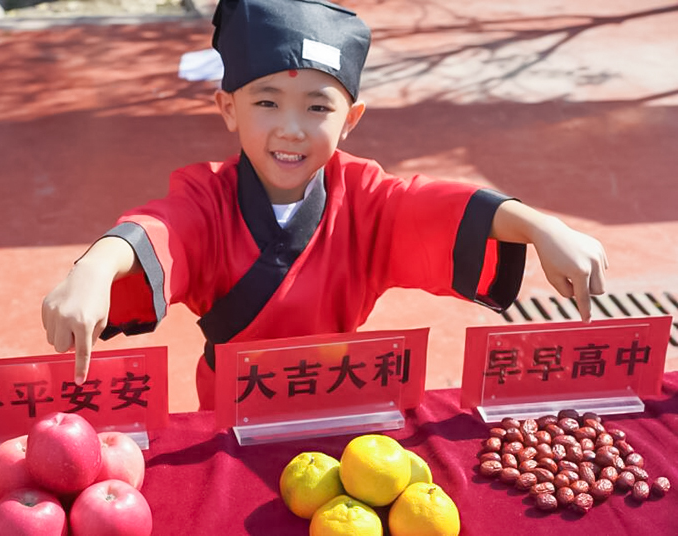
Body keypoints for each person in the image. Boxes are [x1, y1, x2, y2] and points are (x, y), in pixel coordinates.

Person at [41, 0, 608, 410]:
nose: (291, 130)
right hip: (231, 406)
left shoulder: (365, 196)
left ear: (351, 120)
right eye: (267, 101)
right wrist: (95, 266)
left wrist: (539, 225)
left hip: (343, 398)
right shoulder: (206, 196)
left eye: (317, 108)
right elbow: (160, 229)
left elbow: (441, 206)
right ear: (228, 108)